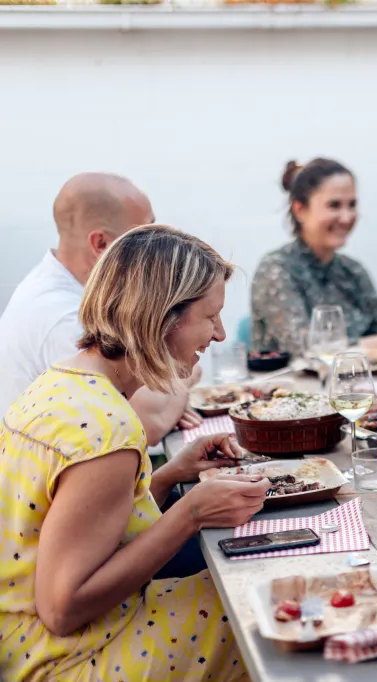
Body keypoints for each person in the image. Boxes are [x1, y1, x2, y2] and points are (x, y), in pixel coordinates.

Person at [0, 224, 270, 681]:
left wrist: (168, 477)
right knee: (261, 602)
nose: (220, 334)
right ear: (163, 317)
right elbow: (61, 609)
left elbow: (81, 522)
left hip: (20, 643)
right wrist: (190, 514)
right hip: (68, 660)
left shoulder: (62, 382)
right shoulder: (107, 428)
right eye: (211, 316)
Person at [0, 173, 202, 446]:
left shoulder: (71, 291)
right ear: (101, 244)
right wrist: (184, 375)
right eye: (145, 235)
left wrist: (168, 396)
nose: (158, 247)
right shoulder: (63, 316)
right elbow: (143, 424)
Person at [250, 158, 377, 354]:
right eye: (334, 205)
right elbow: (303, 347)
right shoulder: (275, 269)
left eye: (352, 204)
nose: (346, 217)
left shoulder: (353, 271)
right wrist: (369, 345)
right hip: (291, 384)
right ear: (300, 210)